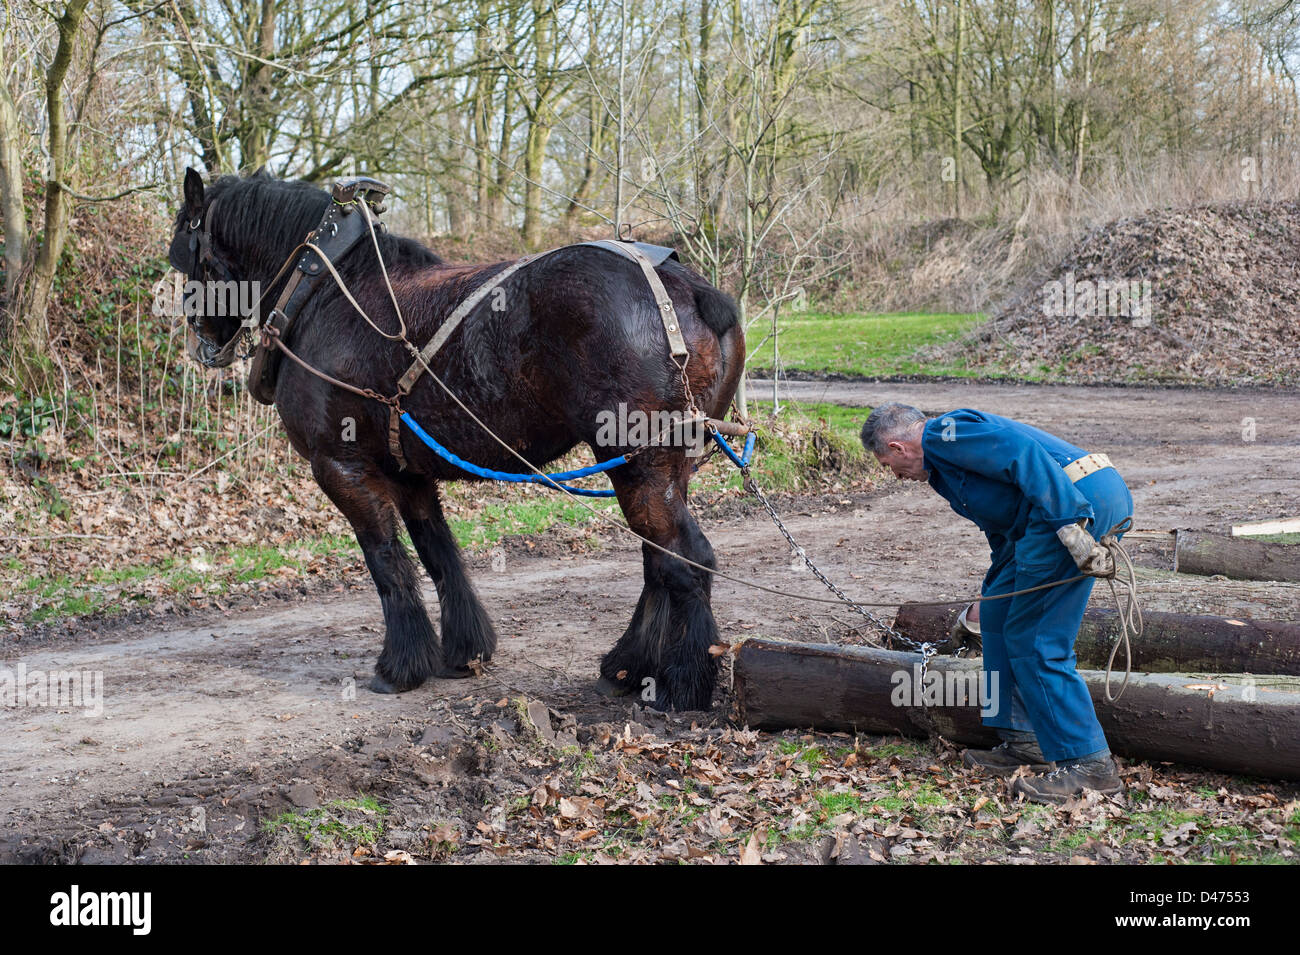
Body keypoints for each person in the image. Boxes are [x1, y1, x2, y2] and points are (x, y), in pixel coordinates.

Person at [860, 402, 1132, 804]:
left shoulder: (944, 433)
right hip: (1046, 517)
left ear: (898, 447)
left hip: (1075, 502)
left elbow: (1024, 454)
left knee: (1036, 638)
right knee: (1000, 616)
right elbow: (1003, 527)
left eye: (888, 464)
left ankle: (1090, 765)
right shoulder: (942, 470)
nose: (894, 475)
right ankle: (1024, 739)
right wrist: (993, 591)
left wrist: (1069, 523)